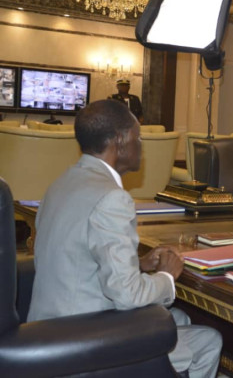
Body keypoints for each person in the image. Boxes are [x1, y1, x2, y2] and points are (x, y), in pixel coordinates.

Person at [27, 100, 221, 377]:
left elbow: (77, 256)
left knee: (178, 318)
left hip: (46, 325)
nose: (141, 145)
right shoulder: (112, 197)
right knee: (208, 340)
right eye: (138, 137)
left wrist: (139, 265)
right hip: (79, 338)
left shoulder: (61, 183)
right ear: (120, 140)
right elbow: (128, 296)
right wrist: (167, 276)